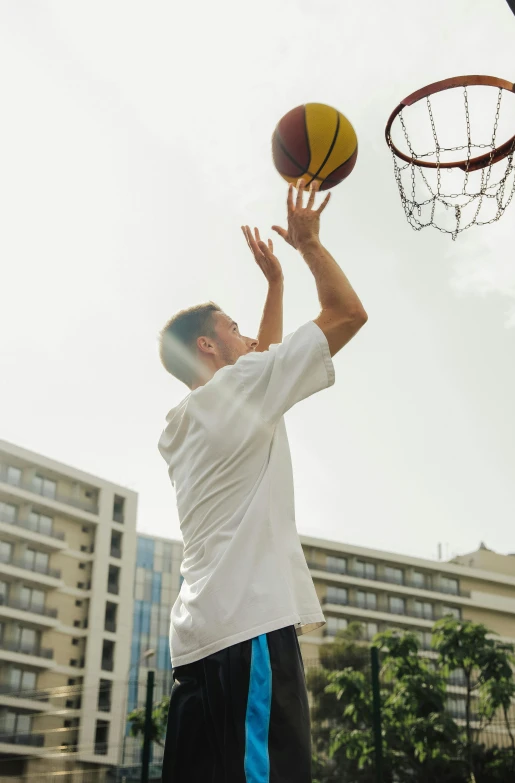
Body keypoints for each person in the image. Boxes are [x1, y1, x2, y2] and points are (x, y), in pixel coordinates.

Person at [158, 178, 367, 783]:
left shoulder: (180, 424)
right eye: (232, 327)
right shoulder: (241, 389)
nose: (248, 335)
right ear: (207, 344)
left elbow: (255, 365)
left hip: (196, 643)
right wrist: (308, 248)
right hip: (248, 629)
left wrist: (274, 286)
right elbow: (348, 314)